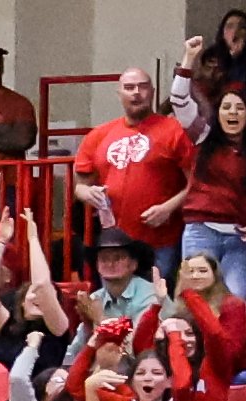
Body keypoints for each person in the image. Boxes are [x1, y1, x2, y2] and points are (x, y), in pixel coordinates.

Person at [169, 39, 246, 300]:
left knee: (234, 303)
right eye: (226, 107)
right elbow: (178, 100)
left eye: (240, 108)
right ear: (217, 113)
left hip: (240, 238)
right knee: (197, 301)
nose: (233, 113)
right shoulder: (203, 137)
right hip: (201, 231)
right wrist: (189, 58)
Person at [73, 66, 197, 277]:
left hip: (161, 240)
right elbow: (80, 186)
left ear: (153, 92)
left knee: (157, 294)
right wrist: (87, 193)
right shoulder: (99, 135)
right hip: (114, 241)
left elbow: (196, 182)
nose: (136, 93)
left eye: (143, 87)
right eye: (129, 88)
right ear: (119, 94)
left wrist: (168, 208)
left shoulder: (175, 130)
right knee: (116, 295)